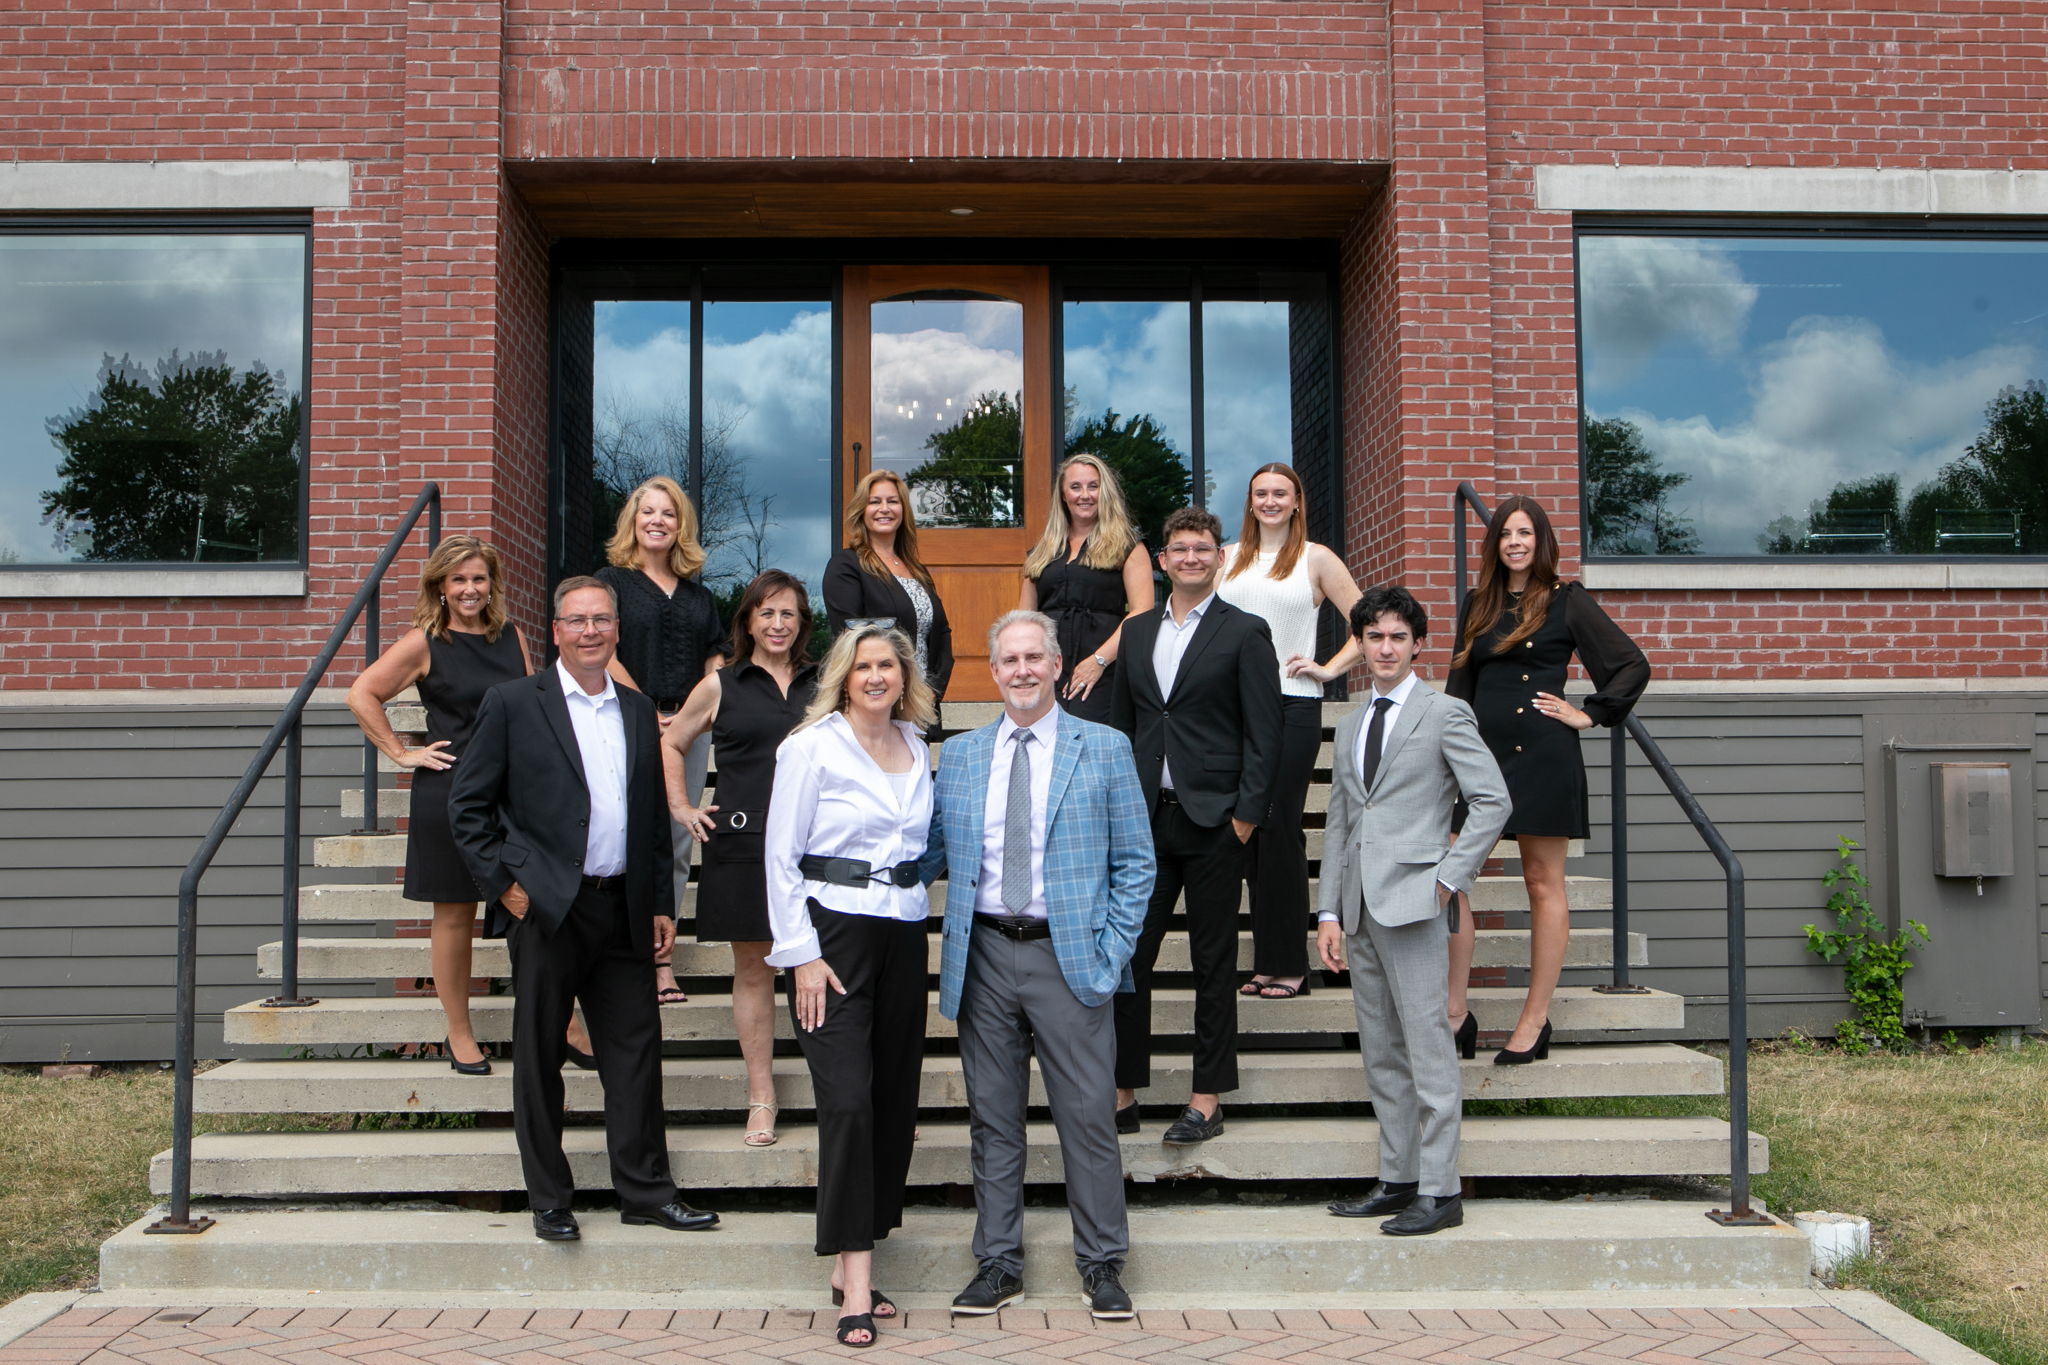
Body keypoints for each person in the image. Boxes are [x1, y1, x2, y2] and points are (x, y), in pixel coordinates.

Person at [448, 576, 720, 1242]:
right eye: (579, 620)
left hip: (622, 904)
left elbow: (654, 816)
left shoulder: (634, 709)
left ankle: (646, 1190)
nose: (592, 630)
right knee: (540, 1054)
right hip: (546, 908)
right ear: (556, 630)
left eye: (603, 619)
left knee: (635, 1054)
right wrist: (507, 888)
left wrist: (661, 901)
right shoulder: (514, 703)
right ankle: (549, 1196)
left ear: (617, 630)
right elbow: (468, 807)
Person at [923, 611, 1153, 1320]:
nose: (1021, 669)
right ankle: (997, 1261)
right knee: (993, 1119)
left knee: (1088, 1116)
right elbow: (928, 854)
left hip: (1071, 954)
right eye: (1008, 659)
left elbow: (1136, 864)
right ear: (992, 672)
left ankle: (1103, 1262)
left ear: (1057, 664)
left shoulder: (1106, 747)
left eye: (1034, 656)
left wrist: (1108, 954)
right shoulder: (959, 757)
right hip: (985, 952)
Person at [344, 535, 591, 1074]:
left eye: (478, 578)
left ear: (491, 583)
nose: (470, 589)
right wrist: (401, 752)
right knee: (454, 915)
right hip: (451, 792)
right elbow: (361, 692)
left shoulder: (511, 637)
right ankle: (459, 1033)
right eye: (458, 579)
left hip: (512, 792)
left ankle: (565, 1022)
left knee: (535, 905)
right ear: (440, 586)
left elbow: (534, 709)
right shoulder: (424, 641)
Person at [763, 624, 936, 1350]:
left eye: (887, 666)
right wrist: (800, 952)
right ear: (843, 674)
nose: (875, 676)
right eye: (863, 665)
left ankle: (851, 1259)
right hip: (830, 936)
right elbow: (779, 854)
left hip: (901, 930)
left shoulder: (920, 747)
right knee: (848, 1102)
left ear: (904, 677)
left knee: (892, 1100)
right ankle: (856, 1286)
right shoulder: (810, 747)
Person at [1316, 585, 1509, 1236]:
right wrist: (1328, 913)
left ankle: (1440, 1188)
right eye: (1374, 636)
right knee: (1382, 1054)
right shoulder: (1349, 724)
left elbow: (1491, 801)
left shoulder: (1444, 713)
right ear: (1361, 645)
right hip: (1361, 911)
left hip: (1418, 903)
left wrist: (1449, 879)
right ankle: (1398, 1178)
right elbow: (1341, 820)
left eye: (1398, 636)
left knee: (1428, 1051)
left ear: (1417, 643)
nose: (1386, 647)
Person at [1443, 496, 1649, 1064]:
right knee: (1454, 876)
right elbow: (1459, 687)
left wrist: (1590, 712)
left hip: (1543, 754)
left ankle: (1533, 1023)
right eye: (1506, 533)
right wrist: (1446, 752)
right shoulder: (1476, 603)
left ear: (1541, 541)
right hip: (1480, 758)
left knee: (1542, 883)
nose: (1515, 542)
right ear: (1494, 543)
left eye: (1525, 533)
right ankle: (1454, 1013)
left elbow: (1632, 663)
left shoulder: (1567, 599)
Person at [1109, 506, 1283, 1145]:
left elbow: (1266, 735)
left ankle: (1205, 1100)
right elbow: (1122, 728)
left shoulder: (1246, 632)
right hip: (1145, 826)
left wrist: (1245, 819)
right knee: (1128, 959)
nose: (1191, 558)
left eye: (1202, 549)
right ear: (1162, 560)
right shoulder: (1135, 633)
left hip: (1215, 824)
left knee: (1213, 965)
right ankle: (1123, 1093)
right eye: (1179, 549)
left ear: (1219, 559)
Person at [662, 570, 819, 1148]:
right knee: (755, 971)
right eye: (767, 613)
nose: (777, 624)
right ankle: (761, 1098)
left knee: (826, 968)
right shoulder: (721, 684)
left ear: (802, 623)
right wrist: (683, 805)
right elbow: (672, 741)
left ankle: (843, 1093)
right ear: (748, 621)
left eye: (789, 615)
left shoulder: (826, 681)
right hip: (743, 845)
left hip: (816, 850)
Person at [1216, 463, 1364, 1001]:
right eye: (1261, 493)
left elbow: (1368, 624)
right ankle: (1264, 961)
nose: (1271, 501)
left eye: (1281, 493)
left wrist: (1328, 669)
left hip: (1291, 705)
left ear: (1297, 500)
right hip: (1229, 711)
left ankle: (1289, 966)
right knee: (1245, 833)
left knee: (1278, 829)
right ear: (1250, 501)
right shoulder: (1227, 558)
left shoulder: (1316, 558)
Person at [597, 474, 727, 1009]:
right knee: (622, 837)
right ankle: (614, 958)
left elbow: (716, 657)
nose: (657, 521)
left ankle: (661, 960)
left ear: (681, 528)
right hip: (626, 725)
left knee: (676, 843)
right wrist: (645, 710)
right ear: (633, 521)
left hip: (688, 734)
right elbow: (599, 647)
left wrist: (693, 716)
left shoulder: (701, 596)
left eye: (668, 514)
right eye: (648, 512)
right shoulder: (610, 583)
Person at [1018, 452, 1155, 724]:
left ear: (1105, 492)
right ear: (1063, 494)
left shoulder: (1129, 546)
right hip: (1047, 669)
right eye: (1076, 487)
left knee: (1092, 746)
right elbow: (1024, 617)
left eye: (1093, 486)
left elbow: (1142, 610)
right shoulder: (1043, 550)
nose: (1085, 495)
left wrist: (1098, 661)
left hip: (1102, 669)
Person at [823, 469, 954, 710]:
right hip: (875, 703)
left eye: (892, 501)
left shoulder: (917, 571)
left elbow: (941, 635)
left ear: (903, 510)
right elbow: (850, 638)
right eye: (875, 502)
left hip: (921, 705)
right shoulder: (846, 566)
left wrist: (931, 693)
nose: (885, 508)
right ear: (862, 510)